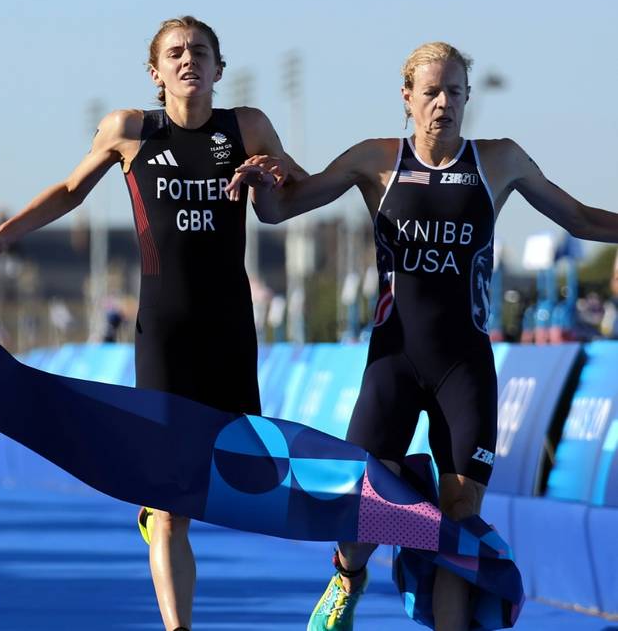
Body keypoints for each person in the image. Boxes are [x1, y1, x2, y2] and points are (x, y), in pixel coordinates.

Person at [233, 41, 618, 630]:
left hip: (464, 366)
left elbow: (583, 219)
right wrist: (262, 184)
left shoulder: (500, 161)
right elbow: (281, 212)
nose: (444, 103)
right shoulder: (375, 160)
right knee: (362, 510)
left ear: (467, 97)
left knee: (460, 521)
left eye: (456, 92)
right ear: (407, 97)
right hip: (393, 362)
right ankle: (348, 575)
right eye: (432, 92)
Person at [0, 16, 301, 631]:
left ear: (220, 68)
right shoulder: (130, 131)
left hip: (229, 329)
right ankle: (178, 624)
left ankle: (158, 507)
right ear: (156, 72)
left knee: (245, 480)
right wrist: (0, 240)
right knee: (173, 506)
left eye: (200, 52)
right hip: (164, 333)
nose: (188, 60)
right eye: (175, 53)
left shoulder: (247, 127)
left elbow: (283, 208)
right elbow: (70, 190)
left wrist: (265, 180)